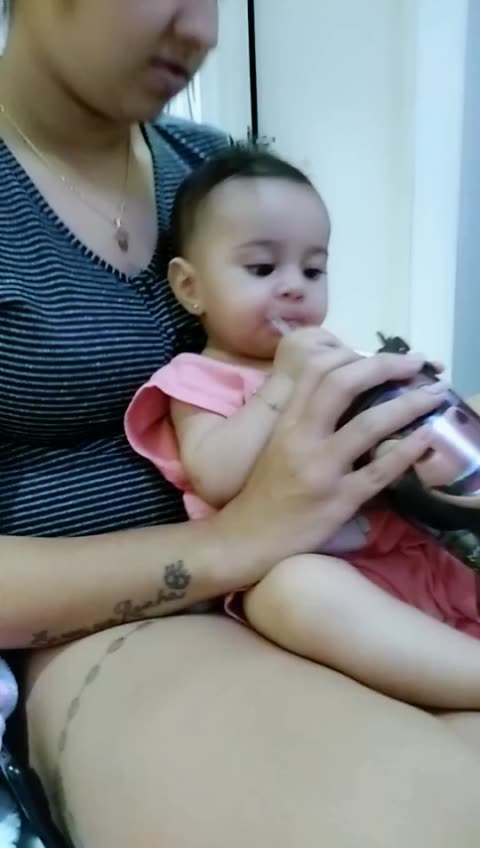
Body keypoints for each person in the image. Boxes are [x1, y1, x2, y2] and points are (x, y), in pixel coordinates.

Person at [0, 2, 479, 846]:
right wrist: (241, 542)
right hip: (113, 617)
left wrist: (410, 437)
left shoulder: (214, 170)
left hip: (366, 555)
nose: (204, 29)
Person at [125, 145, 480, 710]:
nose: (295, 286)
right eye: (262, 269)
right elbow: (216, 476)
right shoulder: (195, 379)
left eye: (313, 270)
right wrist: (283, 384)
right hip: (317, 573)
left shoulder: (334, 360)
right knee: (290, 592)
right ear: (191, 288)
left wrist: (411, 403)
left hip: (410, 551)